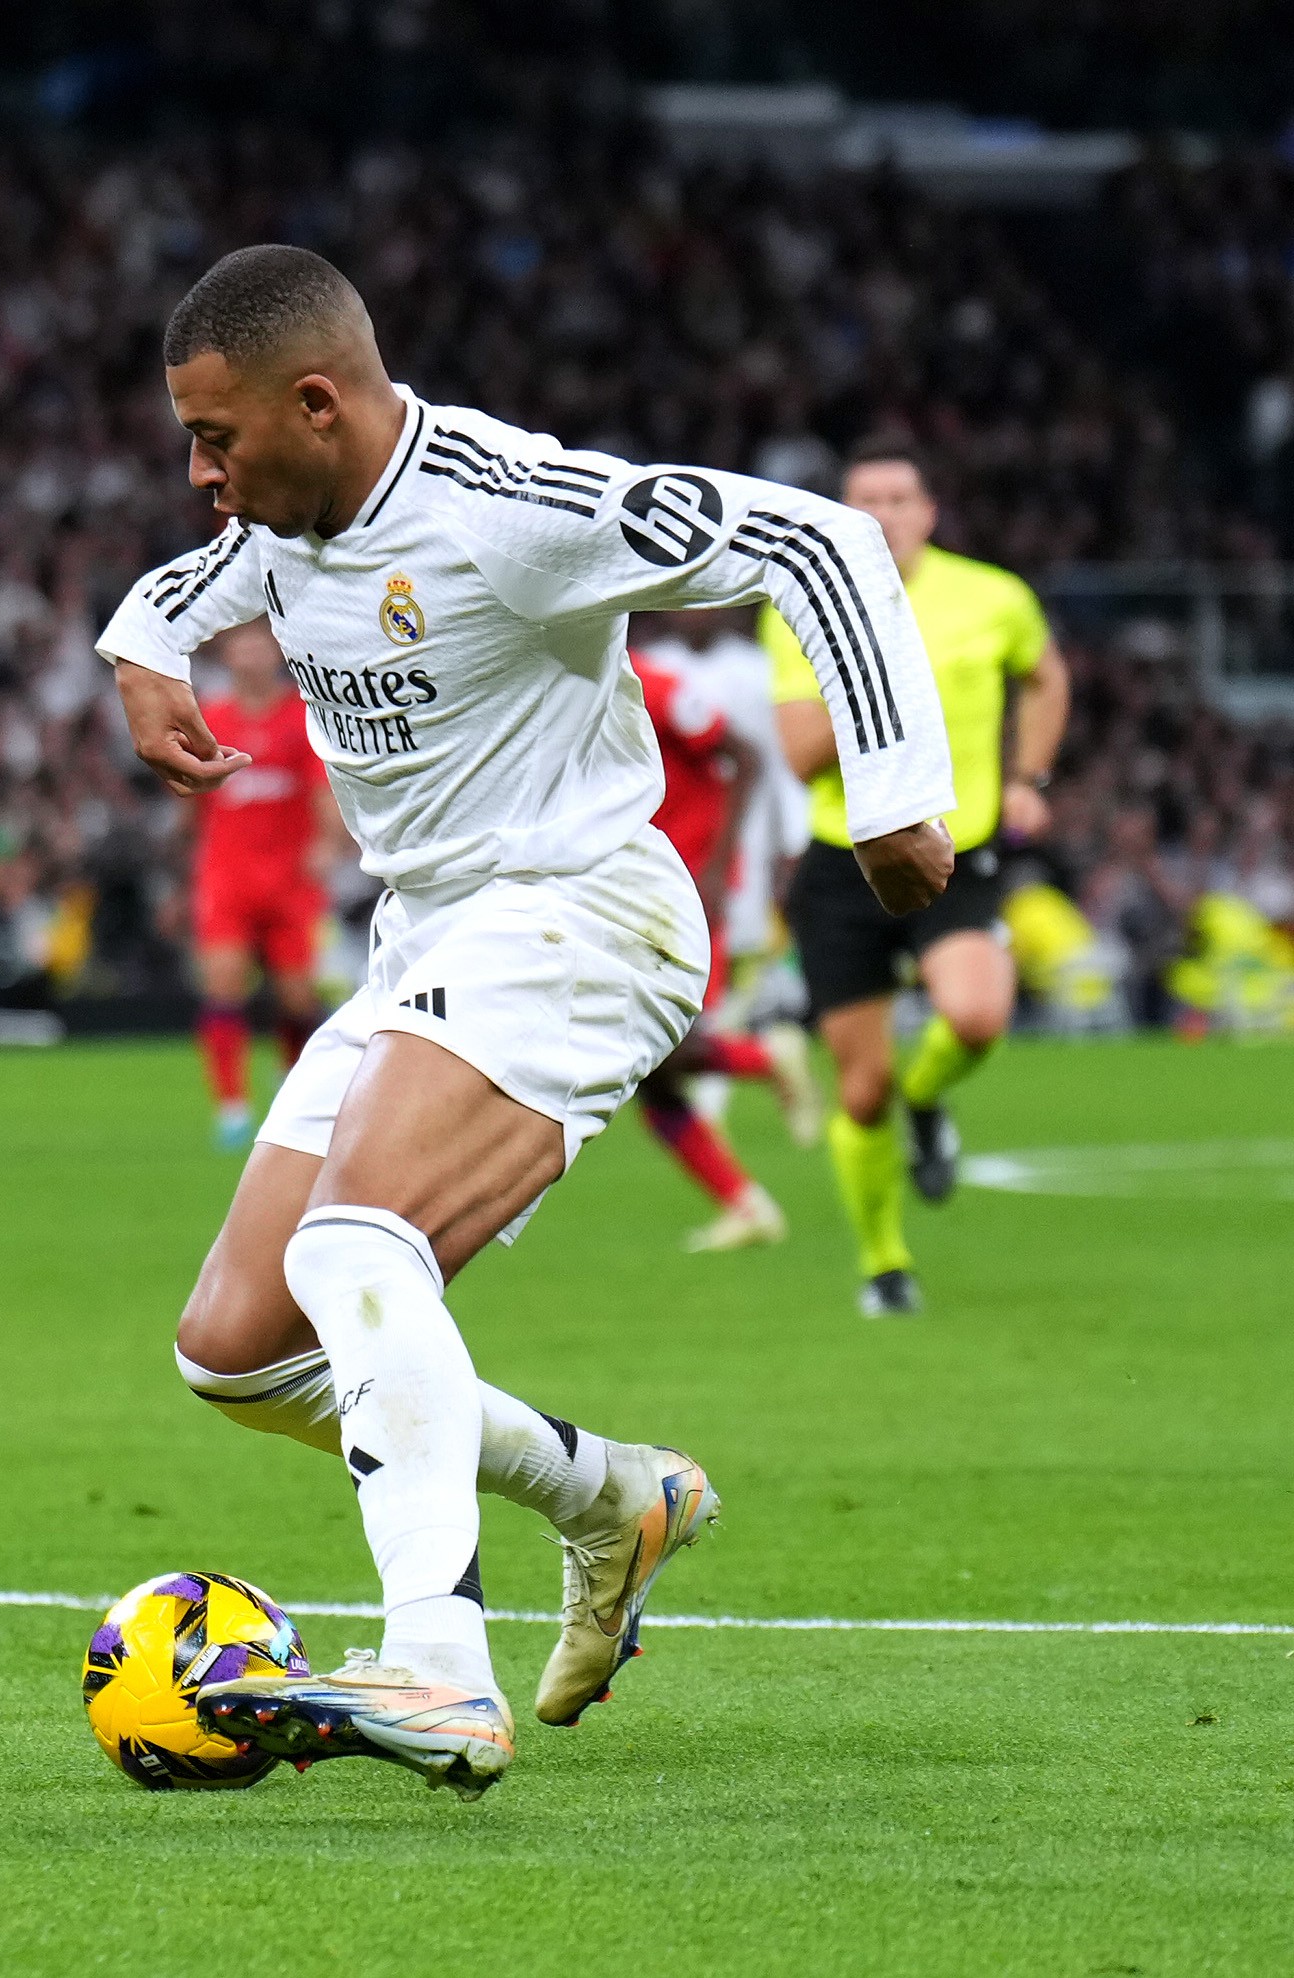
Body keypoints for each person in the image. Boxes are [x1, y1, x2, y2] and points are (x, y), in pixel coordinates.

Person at [98, 247, 953, 1796]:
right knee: (232, 1351)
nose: (197, 473)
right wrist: (138, 653)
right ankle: (609, 1495)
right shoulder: (284, 518)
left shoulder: (515, 507)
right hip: (424, 936)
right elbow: (195, 582)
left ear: (318, 402)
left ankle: (431, 1662)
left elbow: (818, 543)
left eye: (214, 439)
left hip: (580, 909)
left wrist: (897, 796)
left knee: (357, 1248)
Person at [773, 438, 1066, 1317]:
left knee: (975, 1016)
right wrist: (870, 668)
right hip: (844, 860)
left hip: (955, 844)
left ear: (930, 512)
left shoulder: (993, 596)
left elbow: (1046, 677)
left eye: (902, 498)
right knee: (859, 1089)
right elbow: (797, 754)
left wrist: (1029, 778)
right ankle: (885, 1265)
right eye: (867, 500)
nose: (885, 515)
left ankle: (929, 1099)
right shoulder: (804, 604)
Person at [628, 630, 819, 1251]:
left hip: (685, 888)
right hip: (635, 888)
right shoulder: (574, 690)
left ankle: (765, 1058)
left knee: (658, 1055)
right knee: (650, 1074)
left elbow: (747, 755)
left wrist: (716, 867)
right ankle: (746, 1206)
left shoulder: (650, 686)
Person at [189, 619, 340, 1151]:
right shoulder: (212, 719)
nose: (251, 656)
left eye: (260, 646)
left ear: (275, 652)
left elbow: (325, 791)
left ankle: (292, 1086)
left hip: (291, 879)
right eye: (241, 647)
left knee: (297, 998)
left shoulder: (303, 717)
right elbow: (192, 799)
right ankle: (230, 1108)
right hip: (227, 876)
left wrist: (327, 846)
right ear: (227, 656)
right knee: (223, 983)